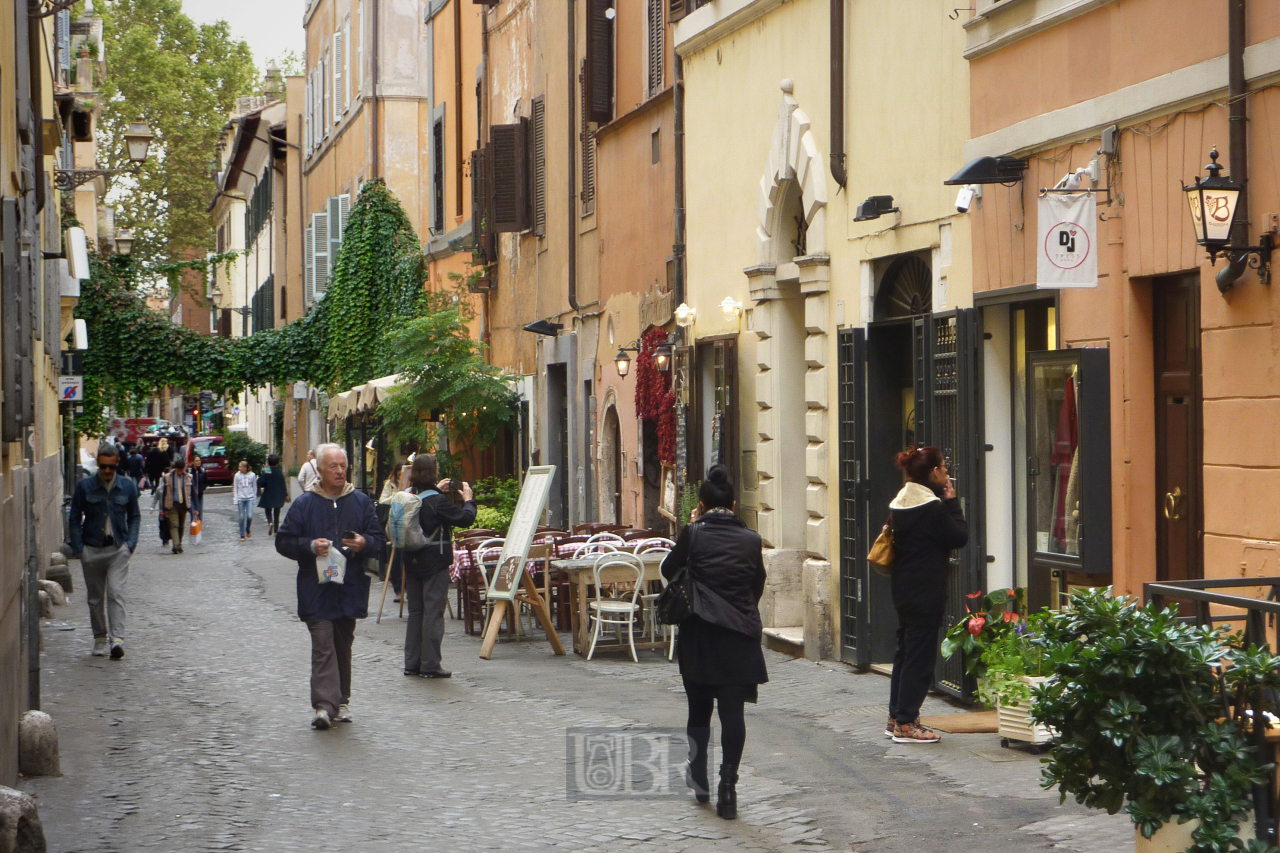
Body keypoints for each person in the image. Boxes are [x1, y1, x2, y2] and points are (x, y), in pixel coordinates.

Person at [661, 464, 767, 820]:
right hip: (739, 635)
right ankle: (728, 788)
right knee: (733, 714)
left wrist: (691, 528)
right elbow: (757, 585)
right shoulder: (752, 540)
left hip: (700, 635)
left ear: (702, 505)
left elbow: (667, 570)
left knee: (699, 710)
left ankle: (699, 777)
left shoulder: (693, 534)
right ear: (735, 505)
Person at [275, 443, 386, 729]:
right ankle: (324, 707)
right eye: (333, 467)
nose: (339, 471)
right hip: (316, 589)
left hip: (349, 588)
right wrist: (311, 545)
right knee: (323, 645)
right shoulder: (305, 504)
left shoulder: (360, 502)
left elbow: (378, 540)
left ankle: (342, 700)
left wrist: (364, 543)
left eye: (343, 467)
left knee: (342, 645)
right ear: (320, 471)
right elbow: (284, 541)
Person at [885, 445, 968, 745]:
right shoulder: (932, 509)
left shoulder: (900, 504)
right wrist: (952, 502)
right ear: (934, 473)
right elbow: (959, 536)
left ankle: (896, 716)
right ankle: (906, 723)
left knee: (905, 652)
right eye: (944, 468)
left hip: (903, 589)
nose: (946, 472)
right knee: (919, 658)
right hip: (925, 591)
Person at [401, 455, 475, 679]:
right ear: (433, 473)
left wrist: (436, 489)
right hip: (434, 561)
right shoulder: (438, 501)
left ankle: (412, 663)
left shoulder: (409, 496)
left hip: (410, 559)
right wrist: (469, 500)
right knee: (433, 613)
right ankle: (431, 665)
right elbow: (464, 519)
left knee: (416, 612)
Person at [68, 444, 141, 659]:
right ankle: (99, 637)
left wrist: (130, 544)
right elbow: (74, 519)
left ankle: (117, 640)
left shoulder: (127, 486)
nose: (107, 471)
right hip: (92, 548)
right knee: (95, 598)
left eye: (111, 467)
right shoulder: (85, 487)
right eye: (102, 467)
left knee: (116, 593)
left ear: (117, 464)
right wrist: (80, 549)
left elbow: (134, 516)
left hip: (118, 549)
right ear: (98, 465)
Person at [378, 461, 408, 600]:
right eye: (399, 473)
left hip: (409, 523)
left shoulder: (413, 484)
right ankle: (398, 590)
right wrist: (397, 496)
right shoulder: (389, 484)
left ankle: (409, 588)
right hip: (394, 523)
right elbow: (382, 502)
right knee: (395, 557)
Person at [159, 458, 194, 554]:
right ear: (175, 469)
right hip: (172, 504)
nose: (180, 472)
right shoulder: (168, 477)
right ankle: (176, 545)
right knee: (174, 525)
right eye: (178, 470)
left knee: (181, 526)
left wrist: (195, 507)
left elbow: (193, 492)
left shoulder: (188, 477)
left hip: (183, 504)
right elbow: (164, 492)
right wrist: (163, 507)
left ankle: (179, 544)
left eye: (181, 470)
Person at [258, 454, 291, 535]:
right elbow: (283, 484)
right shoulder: (279, 472)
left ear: (268, 462)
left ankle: (270, 522)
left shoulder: (267, 471)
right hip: (278, 494)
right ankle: (276, 531)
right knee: (277, 513)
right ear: (277, 463)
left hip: (268, 493)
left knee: (268, 510)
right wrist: (285, 495)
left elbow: (261, 482)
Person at [234, 460, 259, 541]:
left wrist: (254, 498)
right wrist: (236, 499)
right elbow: (235, 488)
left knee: (249, 516)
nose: (239, 468)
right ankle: (242, 534)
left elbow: (254, 487)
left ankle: (247, 528)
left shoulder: (252, 475)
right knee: (241, 516)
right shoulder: (237, 475)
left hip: (250, 498)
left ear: (245, 468)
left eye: (240, 466)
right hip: (241, 498)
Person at [189, 453, 209, 523]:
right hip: (191, 496)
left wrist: (202, 488)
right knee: (193, 513)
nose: (199, 462)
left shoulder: (202, 471)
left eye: (199, 460)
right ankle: (193, 529)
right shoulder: (189, 472)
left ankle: (199, 530)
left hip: (199, 495)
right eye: (197, 461)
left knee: (200, 513)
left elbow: (205, 481)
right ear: (193, 462)